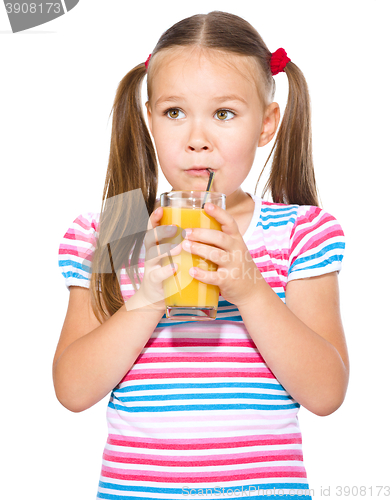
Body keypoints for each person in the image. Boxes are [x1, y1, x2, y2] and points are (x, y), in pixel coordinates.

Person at [53, 11, 349, 500]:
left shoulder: (300, 232)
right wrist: (148, 296)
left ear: (266, 124)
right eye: (174, 112)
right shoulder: (115, 227)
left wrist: (252, 289)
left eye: (224, 113)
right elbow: (72, 389)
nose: (197, 138)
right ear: (150, 118)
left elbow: (325, 394)